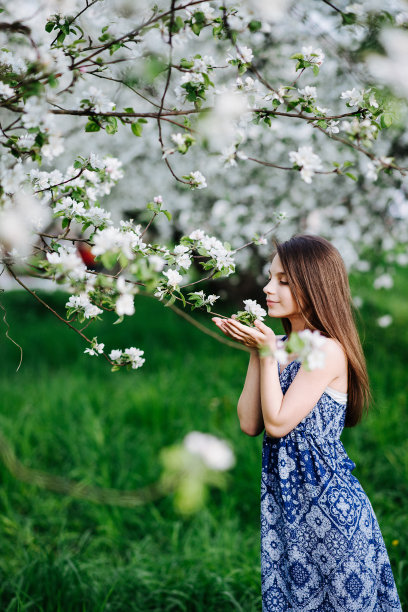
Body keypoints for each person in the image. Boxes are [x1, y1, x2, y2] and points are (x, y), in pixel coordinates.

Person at [212, 234, 402, 611]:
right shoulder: (279, 349)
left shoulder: (328, 350)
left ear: (314, 286)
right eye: (270, 277)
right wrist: (259, 353)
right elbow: (251, 423)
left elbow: (279, 423)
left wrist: (267, 353)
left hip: (331, 513)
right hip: (288, 511)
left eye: (283, 280)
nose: (268, 288)